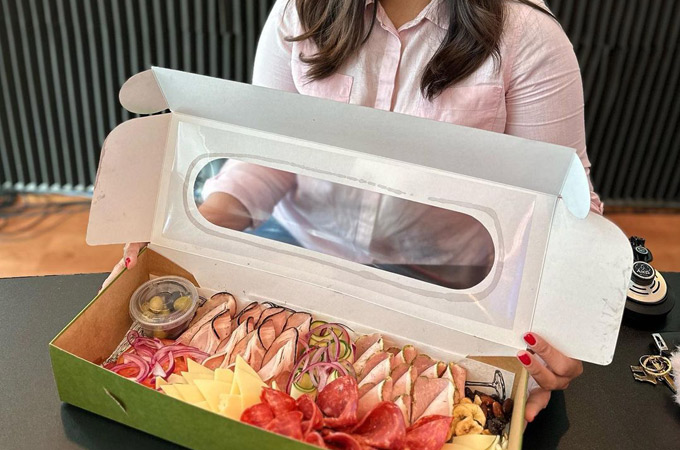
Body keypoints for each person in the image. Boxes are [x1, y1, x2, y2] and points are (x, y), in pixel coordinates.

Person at [108, 0, 593, 424]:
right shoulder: (300, 10)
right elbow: (264, 155)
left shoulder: (528, 36)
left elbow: (563, 212)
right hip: (297, 254)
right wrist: (180, 235)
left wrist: (560, 329)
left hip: (449, 287)